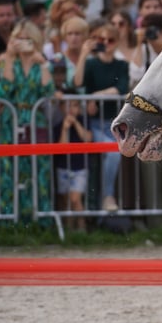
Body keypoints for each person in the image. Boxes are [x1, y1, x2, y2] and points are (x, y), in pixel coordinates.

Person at [0, 19, 55, 223]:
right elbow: (7, 87)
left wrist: (43, 64)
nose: (24, 42)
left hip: (36, 121)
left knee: (39, 169)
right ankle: (6, 220)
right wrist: (9, 56)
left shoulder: (41, 63)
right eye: (19, 38)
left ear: (36, 40)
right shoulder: (8, 61)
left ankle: (39, 220)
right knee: (8, 169)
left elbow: (48, 91)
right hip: (12, 121)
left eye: (28, 38)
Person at [74, 22, 129, 212]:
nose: (105, 43)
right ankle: (107, 197)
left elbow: (120, 89)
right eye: (101, 39)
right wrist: (83, 54)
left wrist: (96, 95)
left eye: (110, 40)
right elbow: (77, 82)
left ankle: (107, 197)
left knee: (113, 155)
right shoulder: (91, 64)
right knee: (112, 155)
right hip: (94, 124)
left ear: (116, 42)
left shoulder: (121, 65)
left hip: (113, 123)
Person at [53, 96, 93, 232]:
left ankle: (82, 229)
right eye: (68, 106)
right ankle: (70, 232)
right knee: (66, 202)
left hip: (80, 168)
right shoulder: (58, 126)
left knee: (75, 199)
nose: (71, 109)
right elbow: (61, 149)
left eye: (75, 106)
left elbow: (88, 139)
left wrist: (75, 123)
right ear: (61, 108)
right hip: (63, 168)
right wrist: (65, 129)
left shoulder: (83, 121)